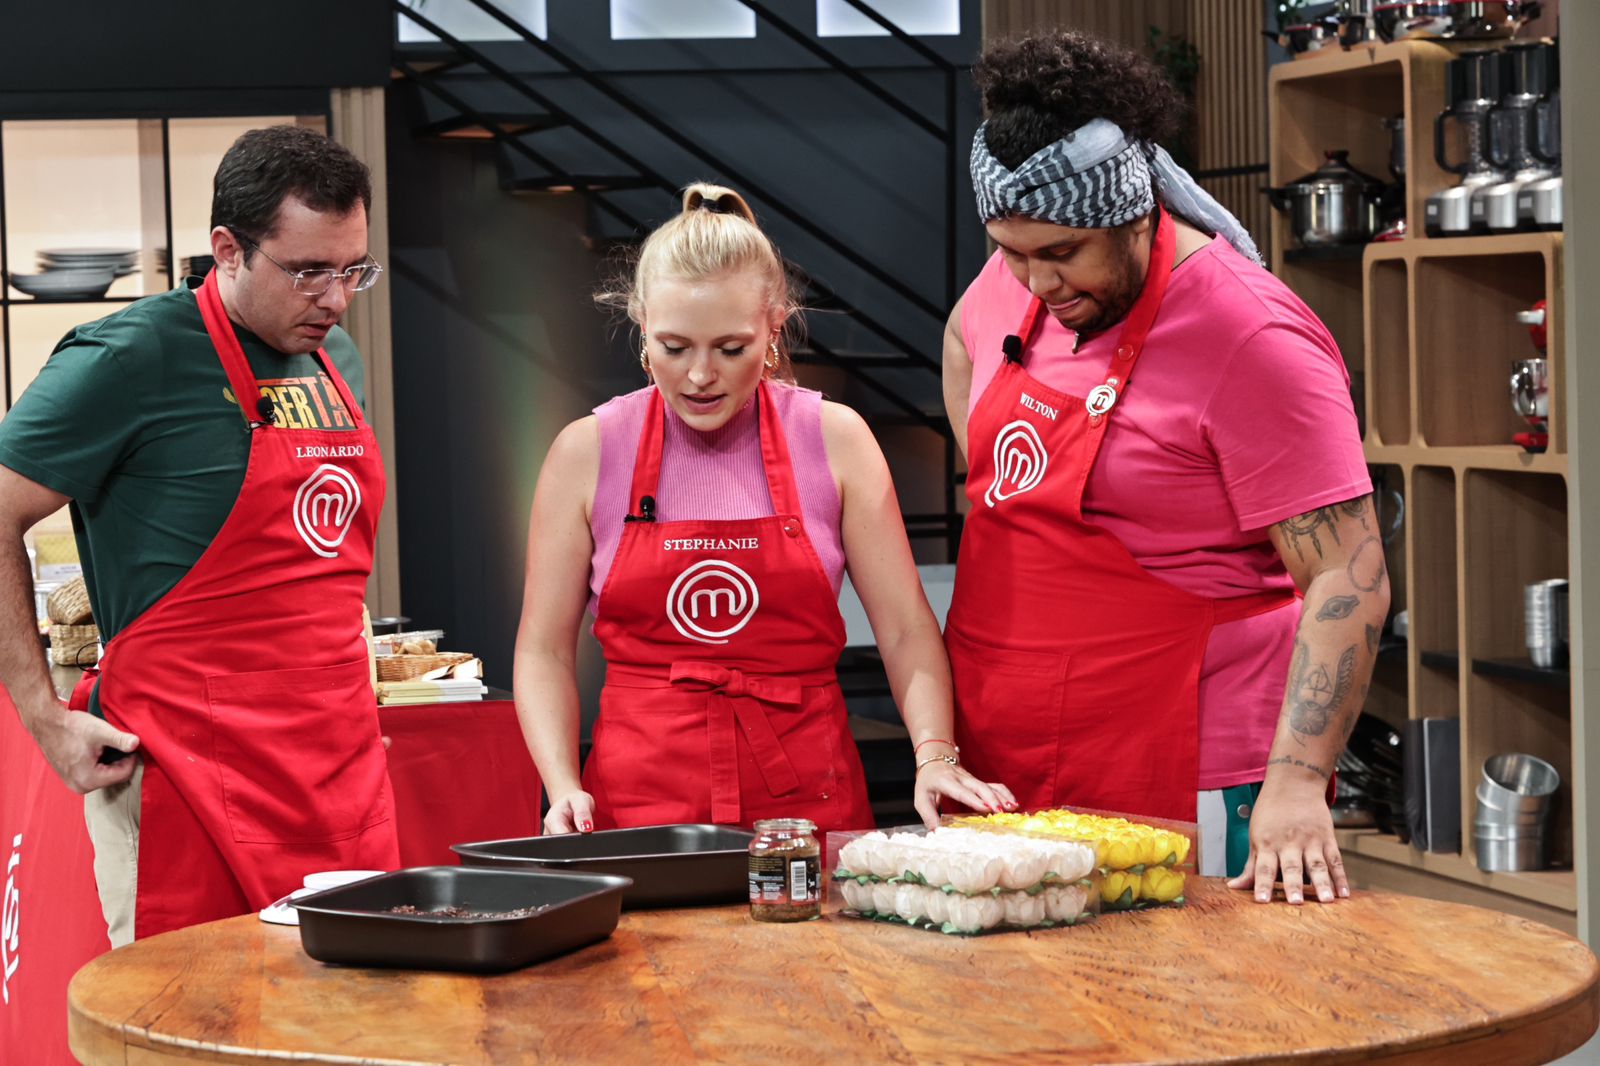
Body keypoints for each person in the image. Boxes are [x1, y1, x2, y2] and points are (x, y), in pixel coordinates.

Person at [942, 32, 1386, 905]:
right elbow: (963, 341)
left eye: (1062, 254)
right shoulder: (1014, 278)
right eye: (1010, 249)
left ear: (1137, 213)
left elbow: (1350, 575)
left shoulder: (1250, 337)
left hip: (1187, 762)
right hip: (1006, 758)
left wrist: (1296, 784)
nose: (1033, 280)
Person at [515, 183, 1014, 837]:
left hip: (809, 796)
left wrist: (935, 754)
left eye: (730, 348)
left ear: (774, 325)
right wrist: (561, 787)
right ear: (640, 323)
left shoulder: (835, 440)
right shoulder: (587, 452)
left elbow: (903, 632)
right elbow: (544, 651)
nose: (700, 375)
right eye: (674, 348)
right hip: (638, 806)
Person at [0, 125, 394, 943]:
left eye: (352, 269)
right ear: (228, 249)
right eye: (308, 271)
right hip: (184, 769)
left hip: (336, 766)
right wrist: (42, 718)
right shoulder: (130, 356)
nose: (336, 298)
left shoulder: (336, 359)